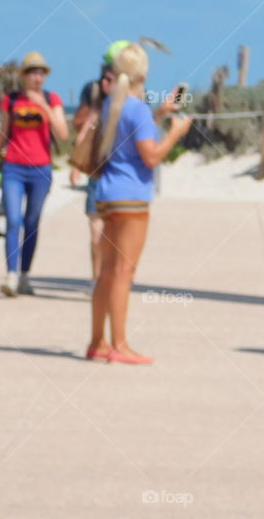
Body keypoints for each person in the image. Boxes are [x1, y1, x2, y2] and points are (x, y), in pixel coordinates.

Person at [87, 43, 192, 365]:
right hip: (131, 196)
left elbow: (129, 139)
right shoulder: (136, 108)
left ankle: (98, 342)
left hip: (106, 193)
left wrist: (160, 114)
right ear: (143, 72)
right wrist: (176, 133)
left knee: (106, 272)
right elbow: (150, 156)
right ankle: (119, 344)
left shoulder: (112, 105)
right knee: (123, 273)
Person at [0, 52, 70, 297]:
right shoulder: (11, 100)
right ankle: (11, 275)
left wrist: (44, 106)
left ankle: (25, 274)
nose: (37, 77)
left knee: (32, 223)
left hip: (40, 169)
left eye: (41, 72)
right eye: (32, 72)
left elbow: (63, 135)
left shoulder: (51, 99)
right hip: (13, 167)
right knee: (13, 220)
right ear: (23, 75)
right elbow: (3, 134)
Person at [72, 41, 131, 293]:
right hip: (98, 170)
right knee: (97, 235)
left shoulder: (134, 94)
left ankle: (113, 278)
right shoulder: (94, 90)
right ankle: (96, 279)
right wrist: (77, 160)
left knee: (117, 234)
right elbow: (82, 123)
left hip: (122, 173)